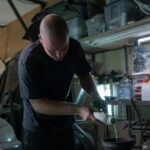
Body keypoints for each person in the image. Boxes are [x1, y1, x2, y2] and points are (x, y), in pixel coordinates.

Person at [18, 14, 106, 150]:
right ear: (41, 39)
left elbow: (84, 75)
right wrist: (79, 109)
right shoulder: (29, 60)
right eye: (53, 50)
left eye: (64, 48)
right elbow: (38, 103)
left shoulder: (75, 48)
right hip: (37, 129)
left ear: (68, 36)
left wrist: (95, 95)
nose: (60, 55)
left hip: (64, 124)